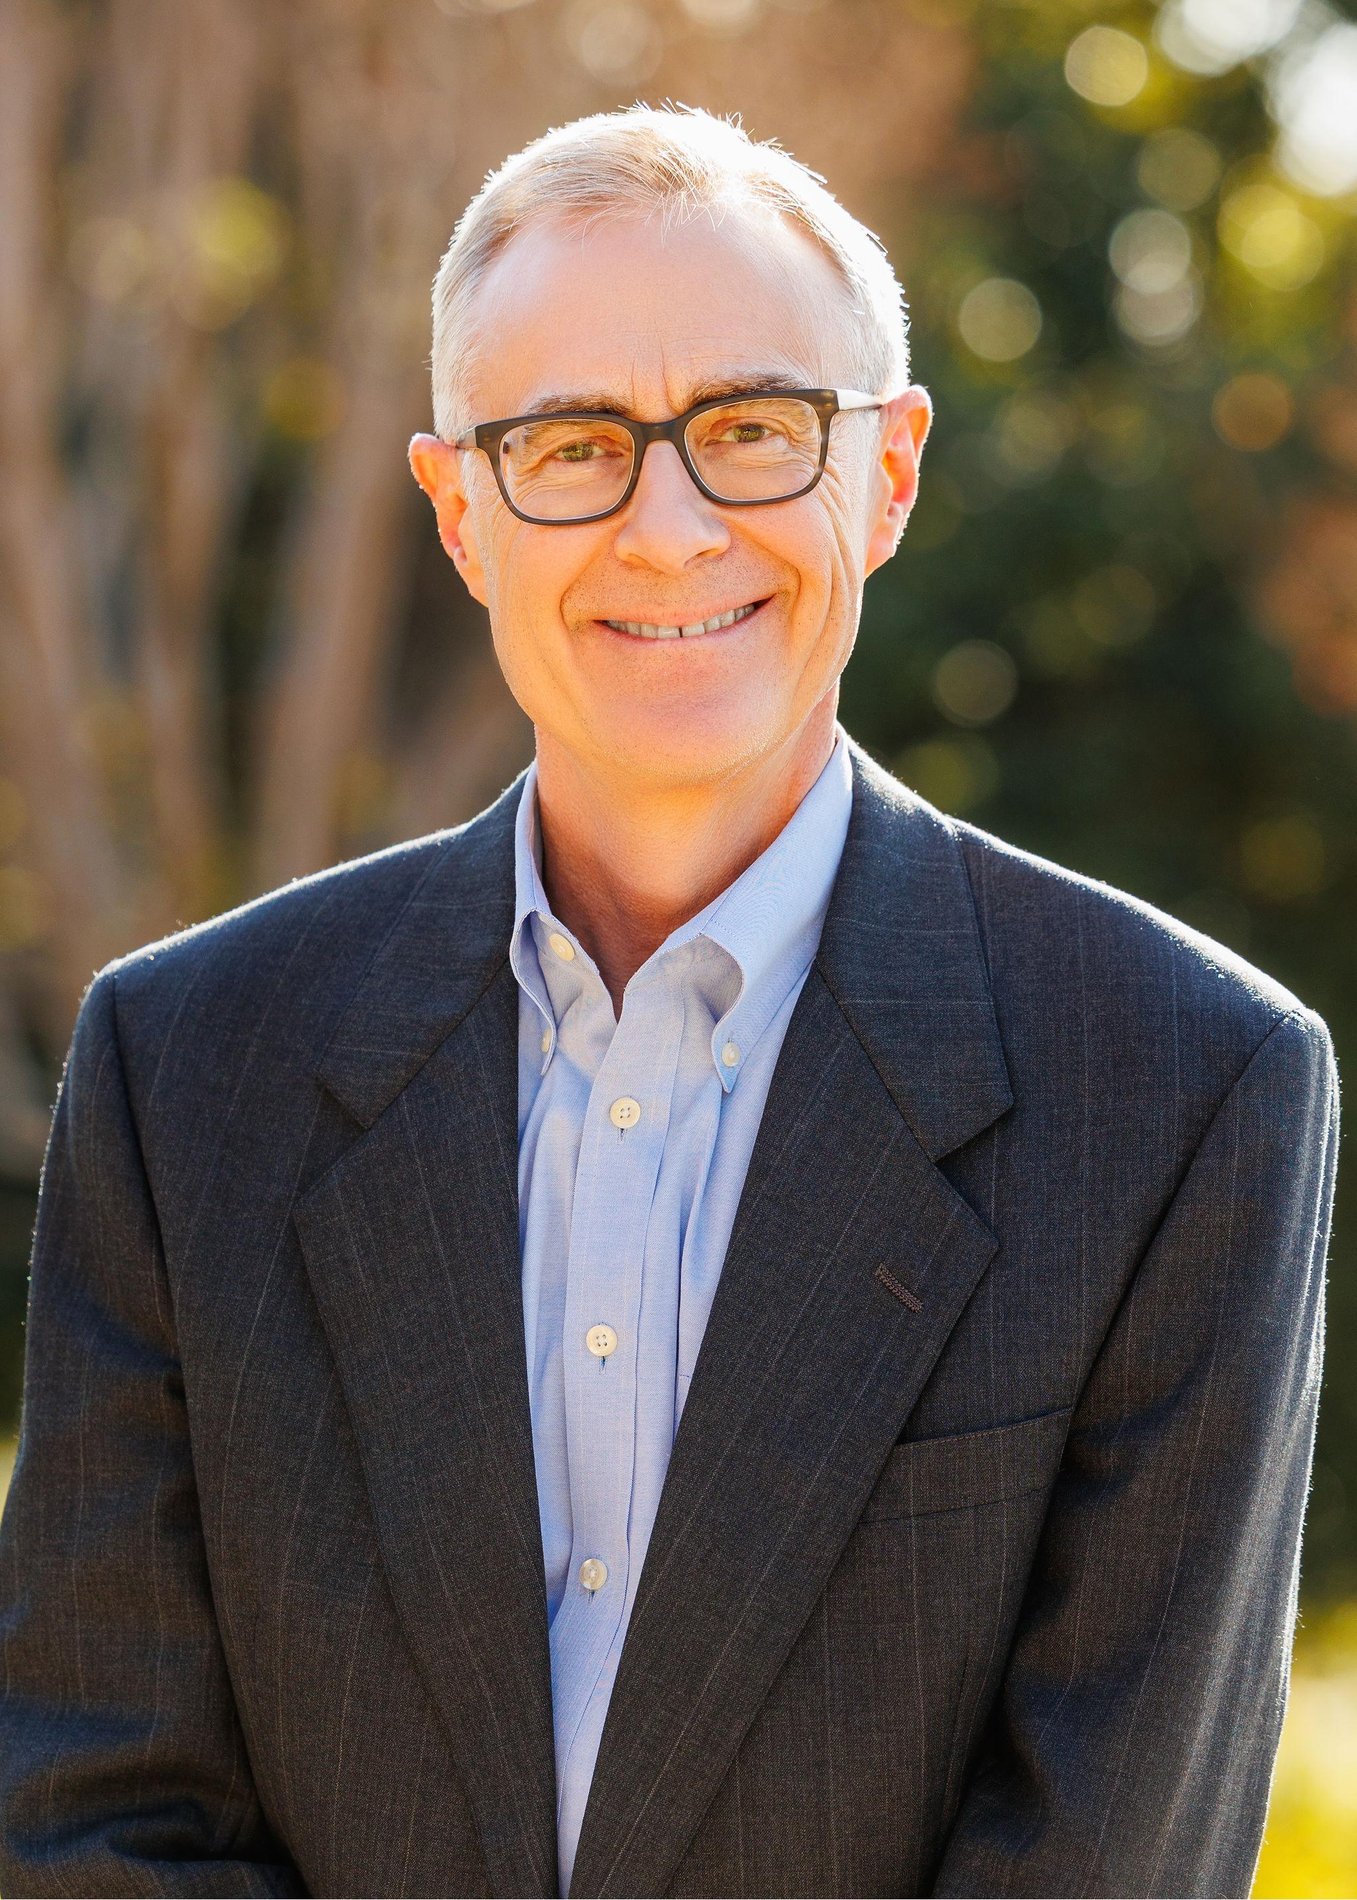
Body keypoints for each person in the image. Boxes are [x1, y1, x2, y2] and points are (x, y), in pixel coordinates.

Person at [0, 103, 1340, 1900]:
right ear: (461, 510)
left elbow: (1105, 1858)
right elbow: (93, 1811)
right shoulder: (188, 1070)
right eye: (569, 445)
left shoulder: (1186, 1086)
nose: (668, 526)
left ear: (886, 472)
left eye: (750, 431)